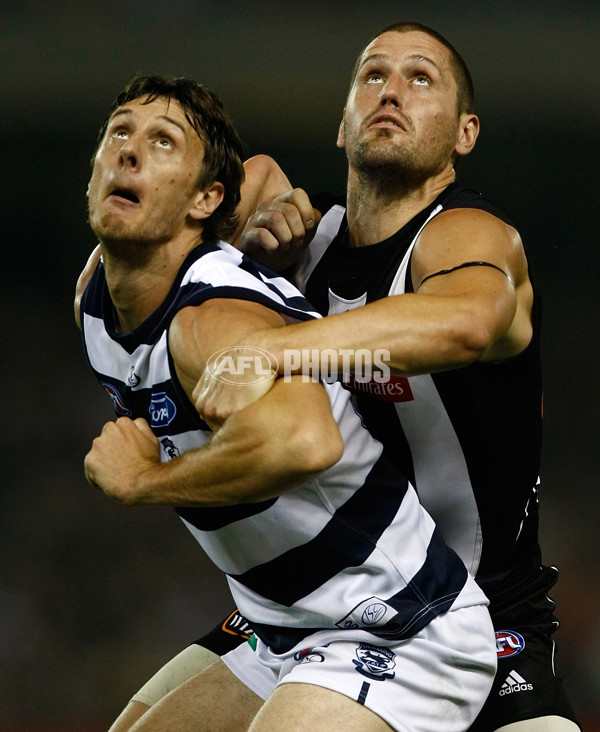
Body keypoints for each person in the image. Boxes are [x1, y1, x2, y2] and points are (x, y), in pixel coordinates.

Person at [76, 73, 496, 731]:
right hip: (281, 627)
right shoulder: (95, 298)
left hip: (398, 624)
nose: (129, 150)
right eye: (120, 132)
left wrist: (146, 480)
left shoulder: (212, 319)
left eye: (162, 142)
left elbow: (306, 443)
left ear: (204, 199)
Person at [227, 21, 580, 732]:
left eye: (421, 78)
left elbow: (469, 321)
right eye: (373, 76)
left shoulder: (469, 237)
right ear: (342, 124)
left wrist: (281, 347)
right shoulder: (304, 247)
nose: (392, 90)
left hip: (476, 619)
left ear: (465, 133)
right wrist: (236, 245)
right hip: (319, 608)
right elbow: (128, 263)